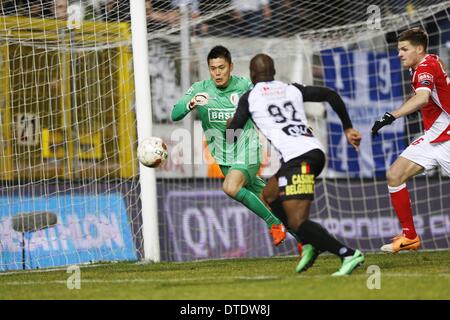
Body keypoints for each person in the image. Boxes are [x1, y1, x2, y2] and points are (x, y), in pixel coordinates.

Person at [228, 53, 365, 275]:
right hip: (311, 150)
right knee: (270, 194)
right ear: (273, 73)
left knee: (298, 221)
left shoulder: (250, 97)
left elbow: (231, 138)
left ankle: (347, 254)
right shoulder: (291, 88)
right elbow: (330, 94)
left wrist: (232, 123)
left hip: (300, 157)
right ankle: (308, 243)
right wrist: (348, 128)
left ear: (252, 75)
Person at [171, 45, 288, 247]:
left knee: (230, 187)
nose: (217, 73)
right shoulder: (200, 89)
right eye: (213, 68)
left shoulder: (244, 86)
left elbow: (270, 103)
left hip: (248, 148)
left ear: (231, 66)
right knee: (268, 201)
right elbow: (175, 114)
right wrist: (192, 103)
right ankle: (307, 238)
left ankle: (274, 224)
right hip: (224, 158)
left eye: (222, 67)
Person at [371, 28, 450, 253]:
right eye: (398, 49)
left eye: (404, 49)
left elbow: (423, 96)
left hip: (447, 139)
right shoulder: (424, 64)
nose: (399, 54)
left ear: (419, 49)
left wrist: (390, 116)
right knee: (395, 174)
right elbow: (426, 97)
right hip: (433, 137)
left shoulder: (425, 66)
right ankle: (410, 236)